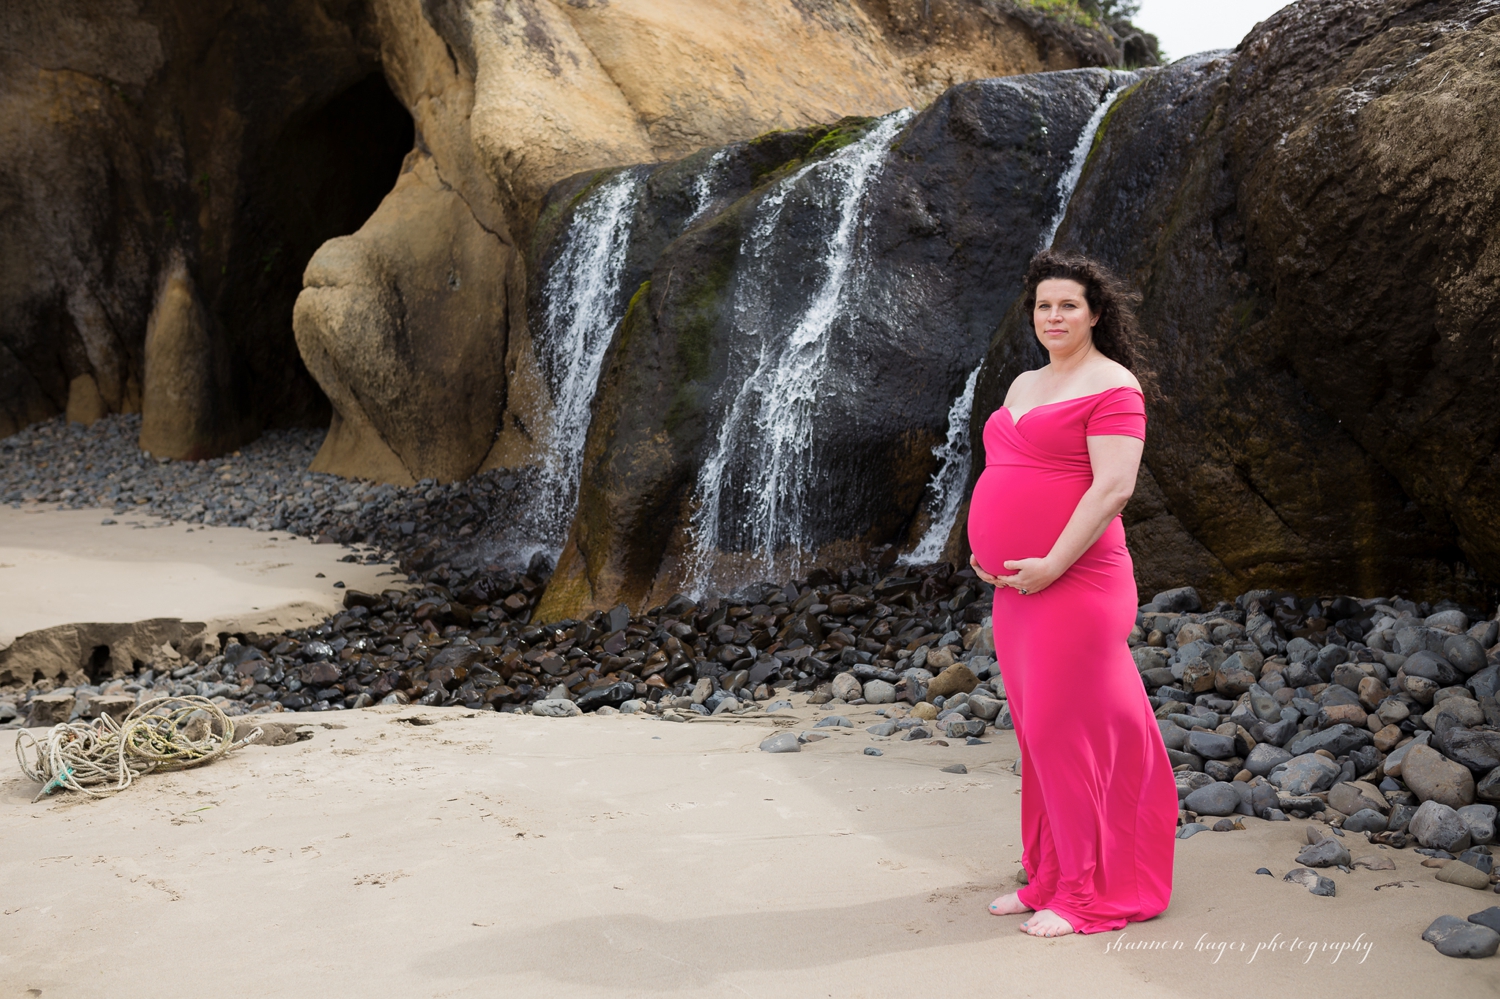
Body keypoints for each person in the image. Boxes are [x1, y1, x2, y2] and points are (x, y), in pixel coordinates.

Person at [966, 250, 1177, 937]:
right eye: (1043, 306)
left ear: (1095, 313)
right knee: (1038, 732)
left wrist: (1053, 562)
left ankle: (1086, 892)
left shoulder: (1115, 384)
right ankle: (1047, 876)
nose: (1052, 316)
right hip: (1016, 585)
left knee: (1069, 731)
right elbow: (1006, 468)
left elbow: (1114, 487)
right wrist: (984, 545)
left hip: (1078, 579)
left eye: (1067, 305)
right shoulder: (1024, 382)